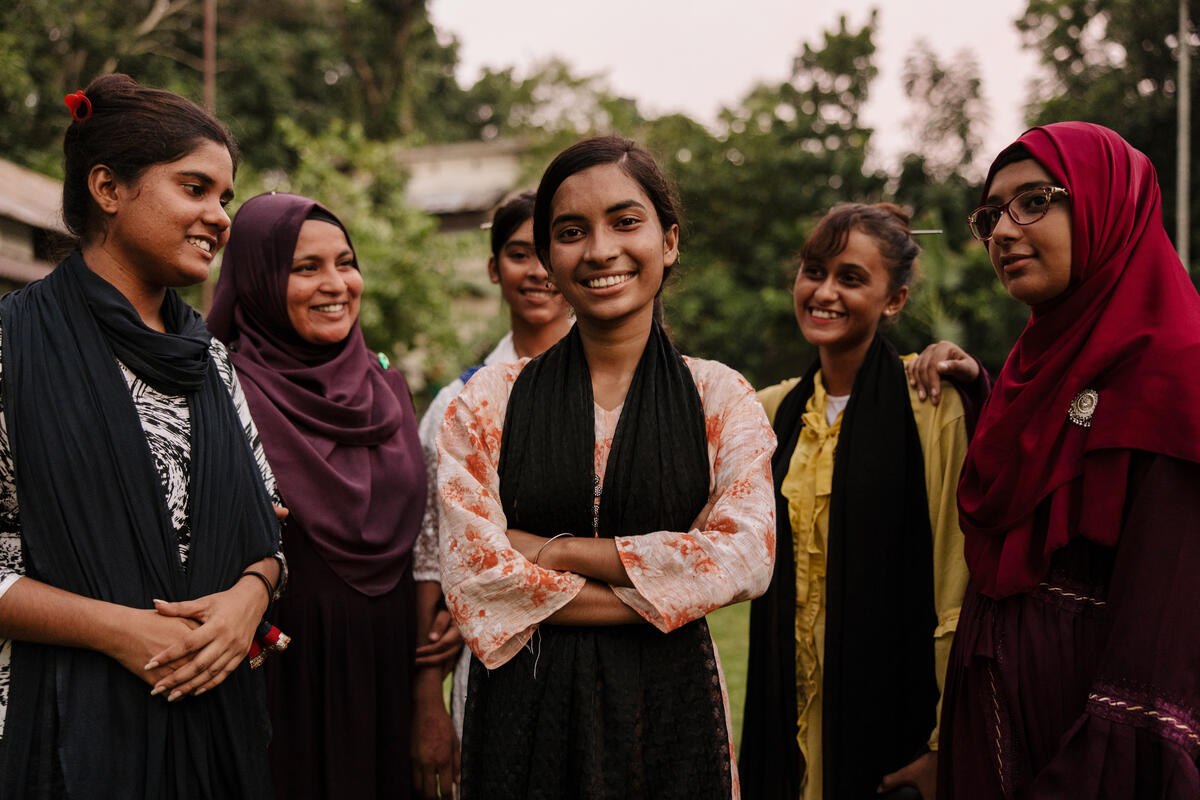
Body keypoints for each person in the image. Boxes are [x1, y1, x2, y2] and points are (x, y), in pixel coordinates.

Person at [436, 136, 776, 798]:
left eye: (625, 221)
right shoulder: (488, 400)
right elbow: (475, 577)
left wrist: (554, 550)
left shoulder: (717, 396)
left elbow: (743, 558)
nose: (599, 250)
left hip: (668, 712)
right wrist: (674, 588)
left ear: (669, 241)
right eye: (570, 231)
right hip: (521, 716)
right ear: (548, 255)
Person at [0, 74, 282, 798]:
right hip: (58, 726)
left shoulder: (209, 359)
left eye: (225, 195)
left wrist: (251, 594)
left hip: (214, 729)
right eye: (195, 188)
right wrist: (120, 630)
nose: (220, 216)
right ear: (107, 187)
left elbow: (269, 526)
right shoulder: (12, 347)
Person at [938, 122, 1200, 798]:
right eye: (991, 213)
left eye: (1034, 200)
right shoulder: (1032, 372)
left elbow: (1158, 650)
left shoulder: (1176, 374)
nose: (1000, 230)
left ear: (1110, 208)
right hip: (993, 744)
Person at [207, 191, 448, 799]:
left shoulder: (388, 388)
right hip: (280, 670)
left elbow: (423, 543)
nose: (336, 283)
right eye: (306, 267)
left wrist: (426, 688)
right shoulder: (219, 394)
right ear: (257, 280)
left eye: (345, 262)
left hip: (388, 670)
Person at [739, 203, 973, 800]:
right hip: (784, 722)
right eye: (814, 271)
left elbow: (956, 585)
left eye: (851, 277)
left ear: (893, 300)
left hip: (893, 723)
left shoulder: (931, 403)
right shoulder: (771, 412)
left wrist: (944, 744)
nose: (824, 292)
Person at [413, 191, 572, 745]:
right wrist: (428, 704)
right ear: (492, 267)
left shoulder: (626, 390)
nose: (539, 272)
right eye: (519, 253)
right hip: (490, 661)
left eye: (551, 251)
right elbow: (431, 556)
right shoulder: (457, 403)